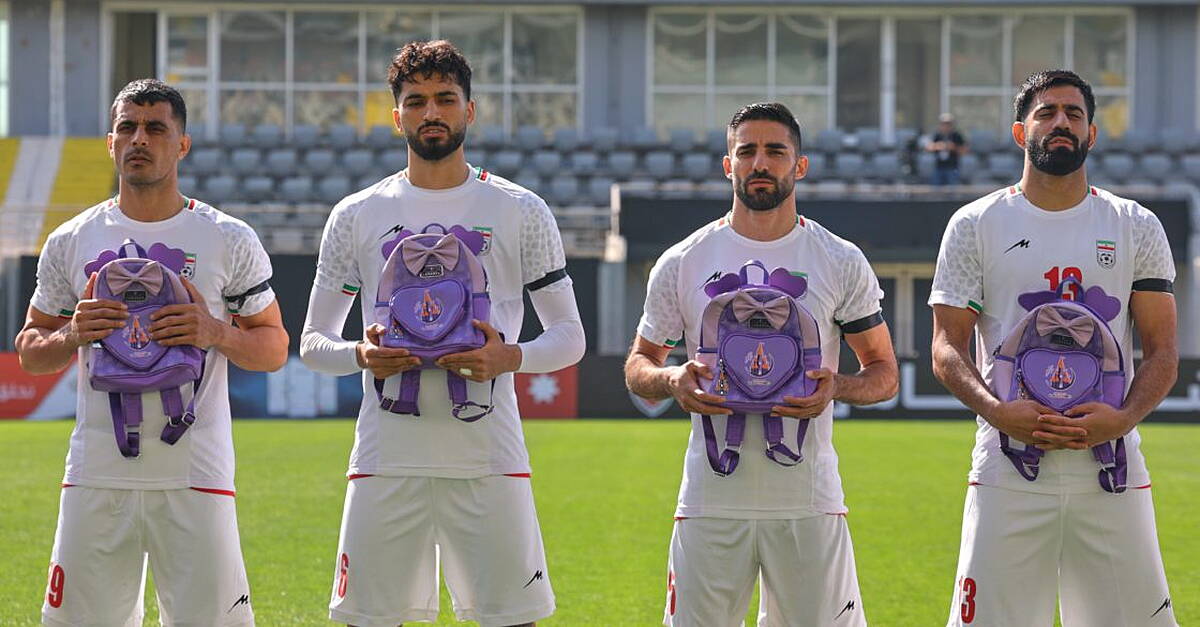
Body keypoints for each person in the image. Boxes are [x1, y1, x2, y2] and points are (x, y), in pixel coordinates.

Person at [299, 40, 585, 627]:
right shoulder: (356, 214)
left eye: (445, 99)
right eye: (417, 101)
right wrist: (360, 354)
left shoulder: (520, 209)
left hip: (488, 452)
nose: (432, 113)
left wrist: (508, 357)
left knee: (511, 619)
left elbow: (569, 336)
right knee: (368, 619)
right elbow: (311, 342)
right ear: (396, 114)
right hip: (386, 453)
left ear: (470, 110)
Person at [15, 79, 288, 626]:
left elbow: (274, 347)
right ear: (111, 142)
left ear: (181, 144)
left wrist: (216, 332)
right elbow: (30, 349)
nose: (140, 139)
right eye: (127, 128)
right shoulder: (72, 238)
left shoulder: (227, 237)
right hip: (96, 474)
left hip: (197, 473)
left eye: (156, 128)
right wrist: (72, 335)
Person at [624, 102, 898, 626]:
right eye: (746, 151)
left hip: (808, 500)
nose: (760, 163)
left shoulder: (838, 259)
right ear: (728, 165)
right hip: (710, 498)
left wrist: (835, 386)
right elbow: (640, 364)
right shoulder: (683, 260)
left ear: (800, 166)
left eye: (775, 151)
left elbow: (883, 372)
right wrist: (672, 380)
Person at [929, 70, 1178, 626]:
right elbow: (947, 346)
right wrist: (997, 412)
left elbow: (1163, 350)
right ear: (1021, 132)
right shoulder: (975, 224)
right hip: (1008, 462)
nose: (1061, 122)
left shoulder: (1135, 224)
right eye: (1047, 113)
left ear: (1092, 135)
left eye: (1074, 114)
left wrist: (1123, 419)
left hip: (1109, 465)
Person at [926, 113, 969, 185]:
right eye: (943, 124)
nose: (946, 126)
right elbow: (928, 147)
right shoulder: (937, 135)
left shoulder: (956, 136)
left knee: (953, 190)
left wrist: (953, 147)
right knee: (936, 189)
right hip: (939, 167)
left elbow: (965, 150)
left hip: (952, 167)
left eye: (948, 124)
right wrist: (939, 146)